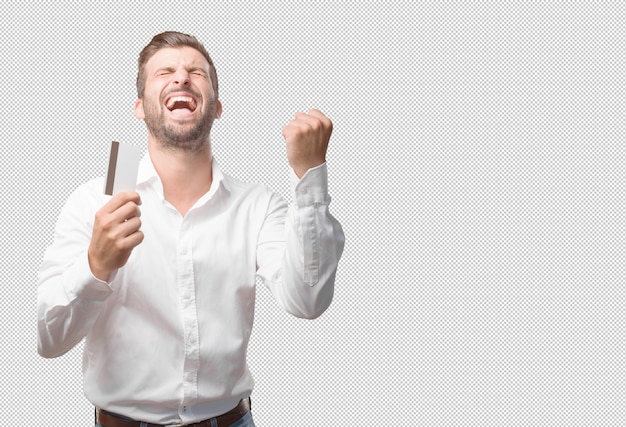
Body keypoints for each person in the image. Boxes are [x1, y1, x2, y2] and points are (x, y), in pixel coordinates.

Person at [37, 31, 344, 427]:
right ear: (140, 108)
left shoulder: (256, 204)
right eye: (165, 71)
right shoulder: (96, 198)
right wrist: (95, 266)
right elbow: (48, 340)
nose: (181, 77)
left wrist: (309, 175)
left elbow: (307, 301)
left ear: (216, 107)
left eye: (195, 72)